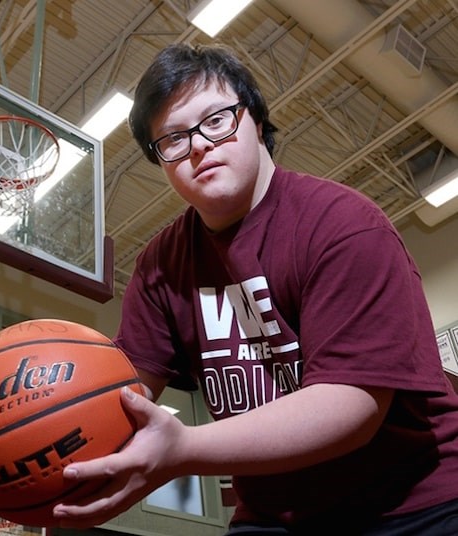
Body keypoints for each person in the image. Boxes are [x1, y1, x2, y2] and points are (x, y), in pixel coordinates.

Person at [52, 43, 458, 534]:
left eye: (216, 119)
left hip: (413, 503)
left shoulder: (344, 225)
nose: (198, 145)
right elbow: (124, 393)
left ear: (257, 122)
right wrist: (45, 444)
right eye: (173, 139)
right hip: (275, 514)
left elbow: (351, 407)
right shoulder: (160, 266)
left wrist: (182, 450)